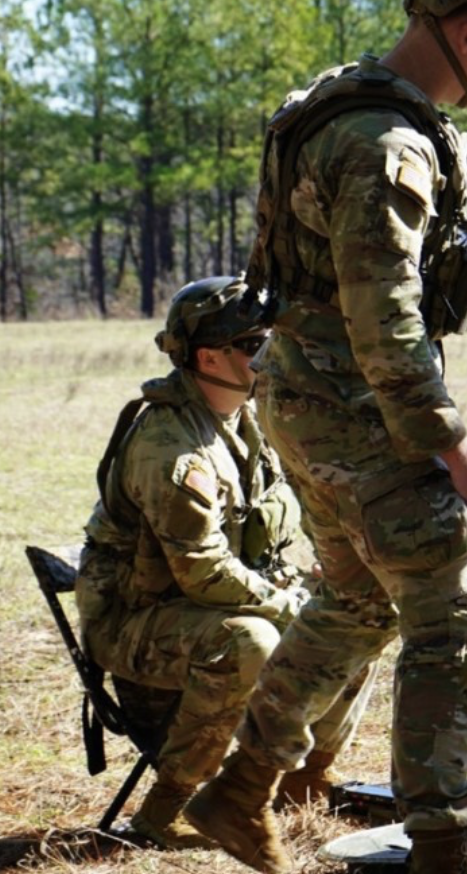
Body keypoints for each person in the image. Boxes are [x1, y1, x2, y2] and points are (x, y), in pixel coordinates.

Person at [185, 0, 467, 874]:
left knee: (352, 601)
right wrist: (458, 453)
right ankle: (441, 850)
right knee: (453, 620)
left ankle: (239, 788)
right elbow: (386, 325)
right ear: (465, 32)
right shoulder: (389, 147)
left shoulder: (336, 104)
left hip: (300, 403)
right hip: (359, 413)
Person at [75, 275, 374, 849]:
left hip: (208, 607)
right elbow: (202, 570)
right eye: (258, 343)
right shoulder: (173, 447)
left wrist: (322, 581)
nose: (274, 354)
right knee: (250, 643)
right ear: (211, 356)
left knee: (357, 615)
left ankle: (301, 783)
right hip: (139, 622)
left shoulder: (250, 418)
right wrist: (287, 604)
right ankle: (167, 812)